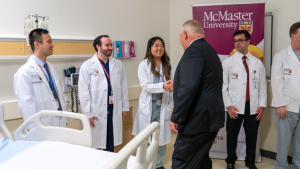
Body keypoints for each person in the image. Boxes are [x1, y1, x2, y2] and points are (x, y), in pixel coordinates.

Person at [169, 20, 225, 169]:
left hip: (196, 121)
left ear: (185, 34)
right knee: (200, 159)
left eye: (180, 36)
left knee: (182, 160)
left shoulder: (193, 51)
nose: (180, 41)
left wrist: (176, 116)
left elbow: (189, 86)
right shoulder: (209, 50)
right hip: (210, 119)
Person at [222, 30, 267, 169]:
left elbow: (262, 86)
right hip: (234, 106)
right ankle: (230, 161)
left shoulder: (257, 63)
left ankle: (250, 161)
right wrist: (228, 105)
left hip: (252, 106)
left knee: (252, 136)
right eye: (235, 41)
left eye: (240, 40)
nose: (237, 43)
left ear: (248, 41)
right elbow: (223, 86)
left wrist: (262, 105)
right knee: (231, 135)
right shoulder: (228, 62)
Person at [78, 35, 129, 152]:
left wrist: (124, 107)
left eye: (111, 45)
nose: (110, 47)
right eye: (107, 45)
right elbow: (83, 92)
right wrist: (88, 113)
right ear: (98, 46)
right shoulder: (87, 66)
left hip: (113, 110)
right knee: (94, 145)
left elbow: (123, 87)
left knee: (110, 144)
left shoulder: (118, 65)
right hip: (96, 112)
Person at [132, 37, 175, 169]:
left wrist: (171, 86)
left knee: (161, 137)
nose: (159, 48)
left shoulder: (169, 64)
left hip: (163, 105)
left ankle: (158, 163)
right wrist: (163, 85)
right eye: (156, 45)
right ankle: (146, 163)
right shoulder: (143, 65)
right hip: (149, 106)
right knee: (147, 137)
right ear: (150, 48)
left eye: (161, 45)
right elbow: (146, 86)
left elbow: (174, 83)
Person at [14, 28, 67, 131]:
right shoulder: (23, 73)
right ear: (37, 44)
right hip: (41, 130)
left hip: (59, 125)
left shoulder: (50, 68)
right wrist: (36, 131)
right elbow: (27, 108)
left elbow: (57, 96)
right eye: (49, 42)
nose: (52, 45)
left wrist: (64, 120)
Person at [271, 22, 300, 169]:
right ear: (292, 35)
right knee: (284, 142)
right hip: (287, 108)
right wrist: (280, 104)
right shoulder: (281, 56)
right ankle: (281, 166)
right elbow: (276, 83)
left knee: (299, 145)